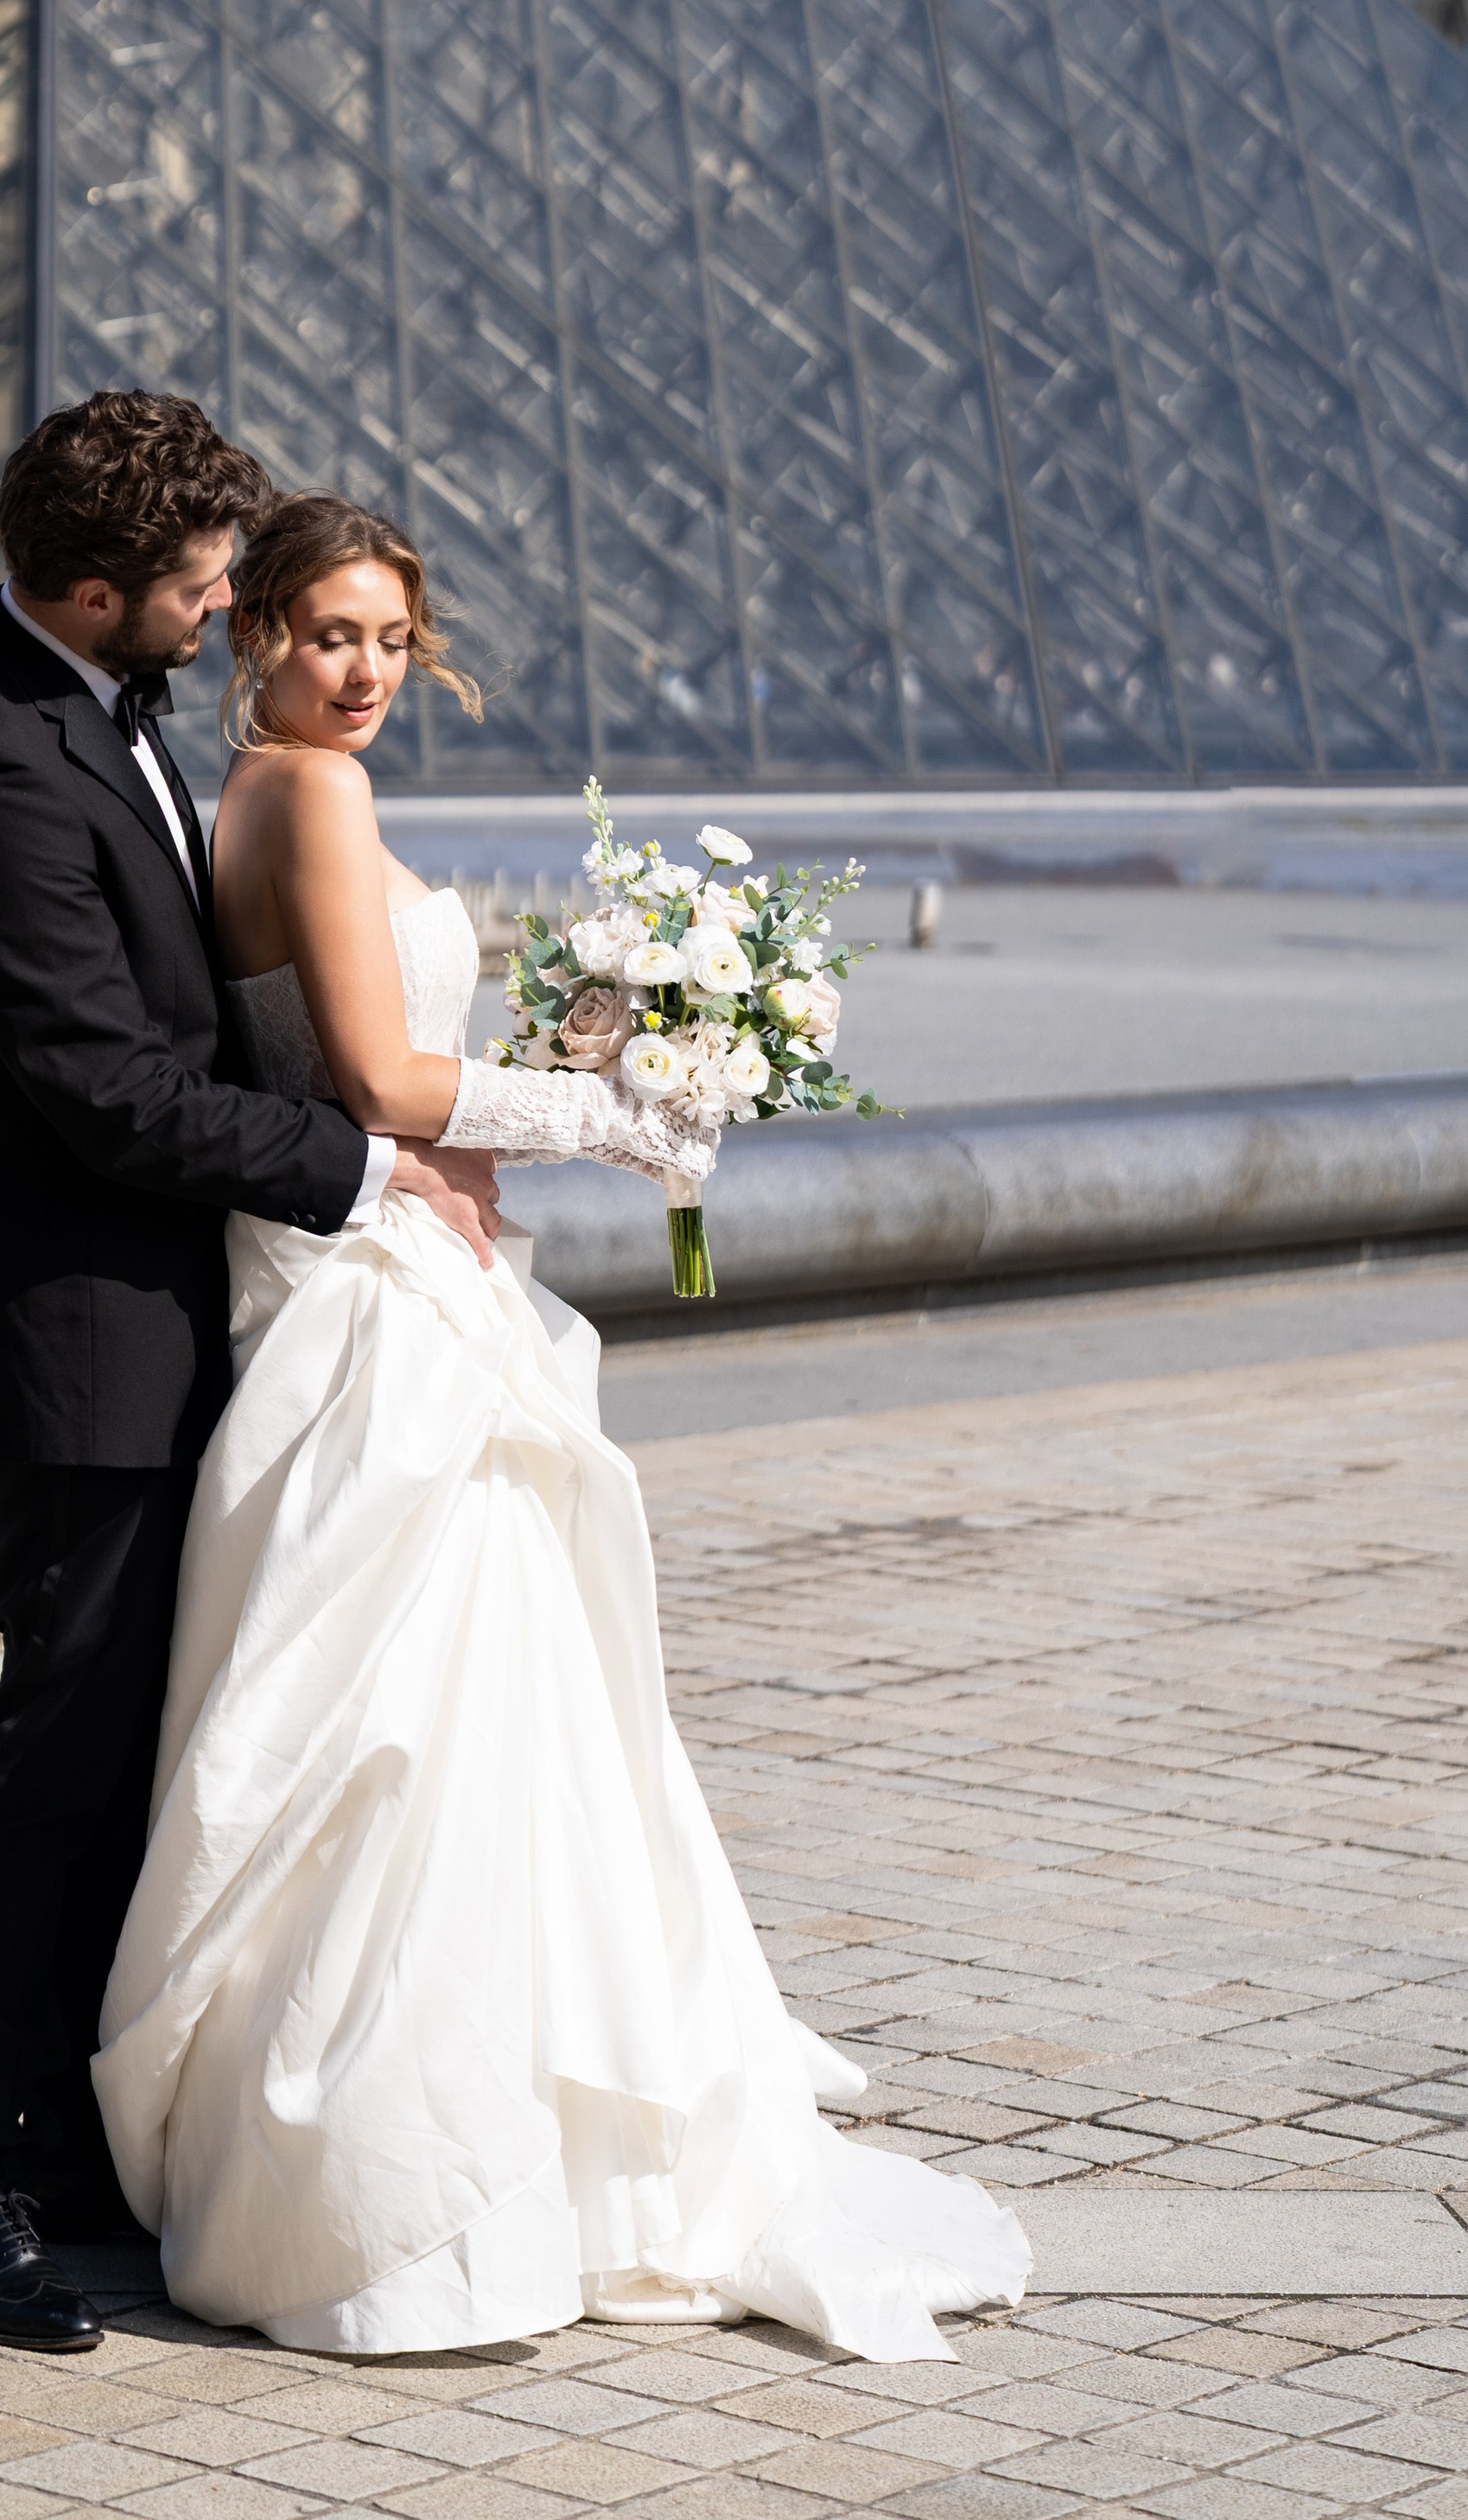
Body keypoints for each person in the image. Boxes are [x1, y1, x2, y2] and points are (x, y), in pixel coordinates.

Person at [91, 493, 1033, 2358]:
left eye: (389, 641)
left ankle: (374, 2170)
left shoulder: (255, 796)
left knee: (405, 1732)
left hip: (362, 1280)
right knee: (448, 1727)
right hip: (382, 1318)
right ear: (260, 633)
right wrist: (615, 1116)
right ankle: (477, 2166)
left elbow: (346, 1065)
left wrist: (591, 1047)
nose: (361, 672)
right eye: (326, 633)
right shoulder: (313, 794)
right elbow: (370, 1075)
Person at [0, 393, 516, 2351]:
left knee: (152, 1754)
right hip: (87, 1330)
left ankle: (77, 2135)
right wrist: (365, 1161)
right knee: (51, 1750)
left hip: (206, 1314)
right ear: (97, 589)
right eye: (202, 586)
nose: (228, 606)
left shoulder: (105, 704)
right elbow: (95, 1085)